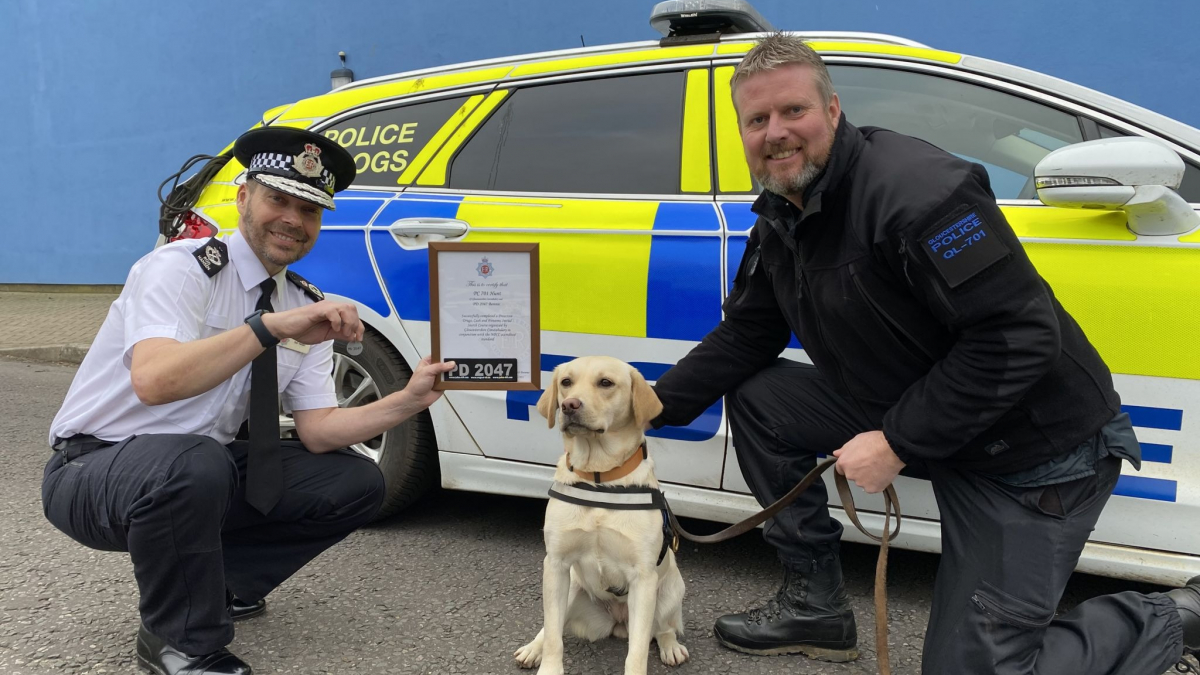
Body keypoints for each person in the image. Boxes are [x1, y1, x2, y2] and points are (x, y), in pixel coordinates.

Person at [650, 33, 1199, 674]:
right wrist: (646, 408)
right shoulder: (785, 208)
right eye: (757, 119)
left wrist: (896, 442)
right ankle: (816, 608)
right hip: (934, 418)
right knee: (762, 396)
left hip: (1032, 457)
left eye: (793, 111)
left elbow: (1015, 338)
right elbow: (750, 333)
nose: (776, 132)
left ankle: (1176, 618)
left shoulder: (921, 195)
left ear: (832, 110)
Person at [43, 127, 455, 675]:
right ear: (243, 198)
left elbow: (318, 430)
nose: (292, 219)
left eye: (309, 210)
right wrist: (265, 327)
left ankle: (220, 585)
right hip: (94, 468)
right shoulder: (179, 268)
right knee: (194, 461)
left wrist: (408, 400)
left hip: (195, 473)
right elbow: (155, 381)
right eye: (277, 199)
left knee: (355, 482)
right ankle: (179, 642)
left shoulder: (302, 303)